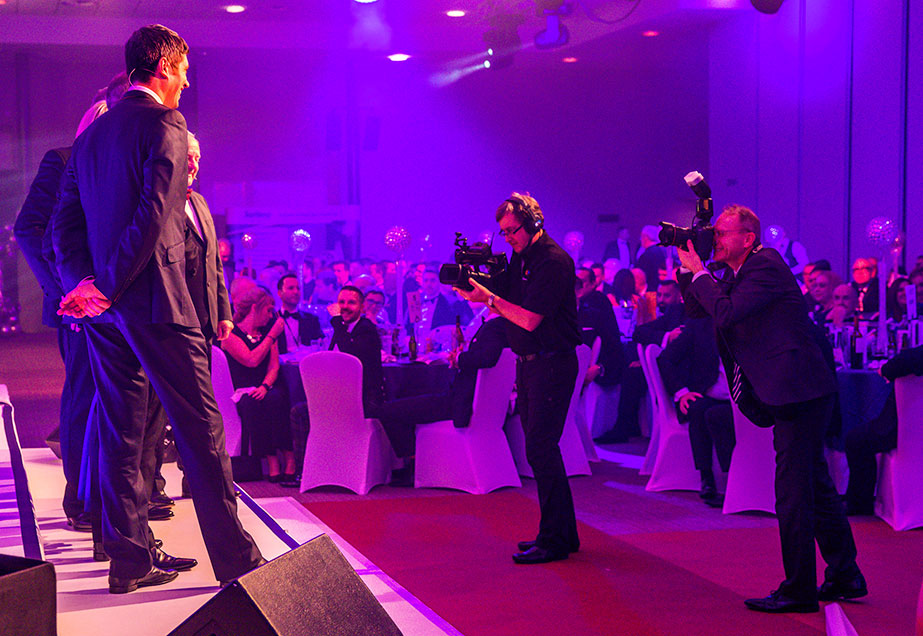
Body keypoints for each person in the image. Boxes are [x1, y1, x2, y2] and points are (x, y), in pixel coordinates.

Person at [53, 24, 263, 593]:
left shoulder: (91, 138)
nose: (188, 80)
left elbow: (62, 226)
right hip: (158, 305)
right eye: (185, 69)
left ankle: (129, 560)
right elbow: (153, 215)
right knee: (202, 433)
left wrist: (86, 285)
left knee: (122, 433)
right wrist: (111, 285)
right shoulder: (167, 123)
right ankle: (239, 562)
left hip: (107, 316)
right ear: (165, 67)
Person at [677, 203, 864, 613]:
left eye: (722, 233)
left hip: (798, 390)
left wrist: (702, 272)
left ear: (747, 238)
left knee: (793, 492)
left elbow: (724, 313)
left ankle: (799, 589)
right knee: (814, 483)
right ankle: (845, 574)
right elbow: (696, 308)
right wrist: (691, 265)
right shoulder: (738, 272)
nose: (717, 239)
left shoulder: (765, 265)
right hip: (798, 389)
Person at [456, 193, 581, 565]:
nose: (507, 238)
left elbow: (528, 319)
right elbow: (504, 297)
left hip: (552, 362)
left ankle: (555, 540)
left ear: (533, 224)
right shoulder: (522, 257)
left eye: (512, 231)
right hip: (531, 363)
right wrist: (477, 289)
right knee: (541, 450)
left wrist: (489, 301)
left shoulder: (553, 261)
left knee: (541, 449)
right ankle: (561, 535)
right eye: (504, 232)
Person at [374, 315, 510, 484]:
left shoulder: (494, 326)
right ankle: (415, 462)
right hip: (478, 406)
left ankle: (414, 465)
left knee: (388, 410)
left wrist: (458, 359)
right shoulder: (507, 326)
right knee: (410, 403)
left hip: (460, 404)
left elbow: (487, 358)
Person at [656, 316, 734, 507]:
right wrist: (681, 392)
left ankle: (733, 480)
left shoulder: (748, 324)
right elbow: (665, 359)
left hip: (740, 400)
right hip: (708, 394)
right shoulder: (699, 327)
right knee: (699, 409)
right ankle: (706, 477)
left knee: (715, 415)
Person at [221, 287, 296, 483]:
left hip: (266, 386)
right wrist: (272, 335)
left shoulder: (266, 333)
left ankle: (289, 456)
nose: (270, 315)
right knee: (252, 404)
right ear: (255, 308)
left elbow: (273, 367)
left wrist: (264, 386)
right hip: (242, 390)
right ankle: (271, 458)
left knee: (277, 398)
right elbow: (251, 360)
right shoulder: (231, 335)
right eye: (268, 310)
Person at [844, 344, 923, 515]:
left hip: (906, 432)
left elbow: (902, 362)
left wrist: (885, 370)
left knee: (856, 440)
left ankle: (859, 503)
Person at [328, 285, 385, 414]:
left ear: (362, 307)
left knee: (300, 413)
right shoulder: (344, 328)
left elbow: (350, 356)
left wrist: (337, 320)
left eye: (351, 302)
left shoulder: (366, 328)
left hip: (364, 400)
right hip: (343, 393)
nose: (345, 306)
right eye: (341, 302)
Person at [276, 273, 323, 353]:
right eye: (291, 288)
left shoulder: (311, 319)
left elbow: (320, 343)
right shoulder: (272, 319)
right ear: (280, 293)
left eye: (298, 288)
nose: (296, 292)